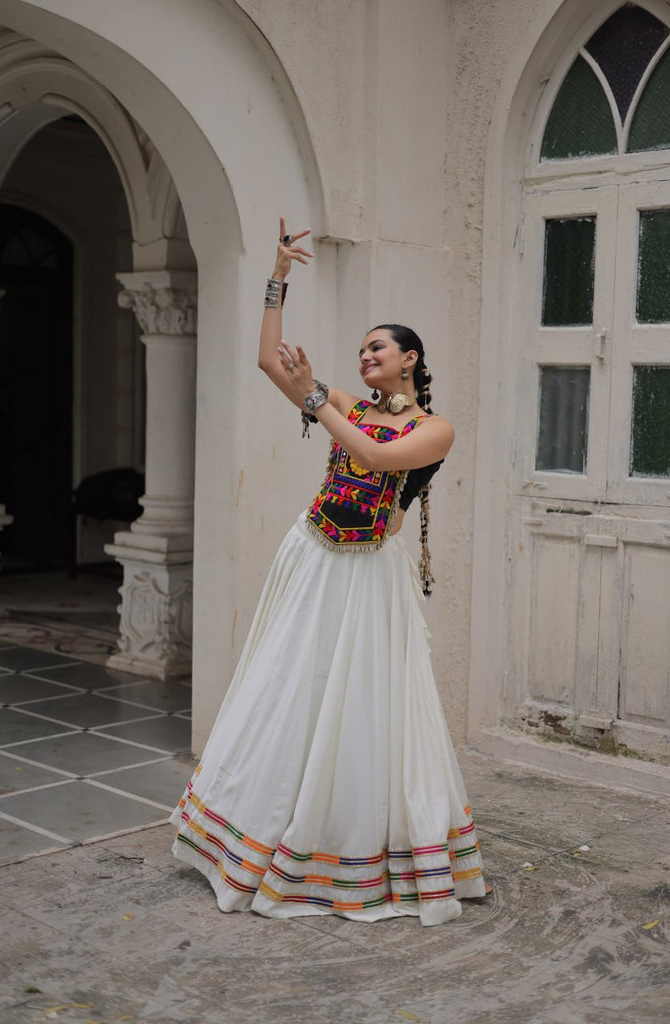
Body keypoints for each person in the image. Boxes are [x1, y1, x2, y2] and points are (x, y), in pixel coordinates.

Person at [170, 219, 488, 926]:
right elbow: (266, 362)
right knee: (285, 683)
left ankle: (350, 849)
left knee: (363, 699)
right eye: (362, 350)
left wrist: (318, 396)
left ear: (409, 359)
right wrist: (279, 279)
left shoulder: (433, 429)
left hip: (370, 573)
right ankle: (252, 836)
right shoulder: (348, 404)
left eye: (378, 347)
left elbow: (377, 461)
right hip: (312, 555)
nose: (366, 356)